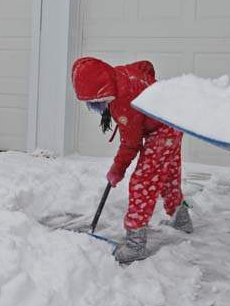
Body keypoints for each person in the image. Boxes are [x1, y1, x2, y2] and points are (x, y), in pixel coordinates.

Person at [71, 57, 192, 263]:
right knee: (168, 175)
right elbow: (145, 66)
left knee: (143, 182)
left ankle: (136, 245)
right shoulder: (118, 75)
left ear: (104, 92)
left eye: (97, 103)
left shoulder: (123, 101)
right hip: (173, 119)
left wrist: (118, 169)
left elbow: (131, 143)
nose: (97, 108)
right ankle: (182, 220)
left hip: (163, 129)